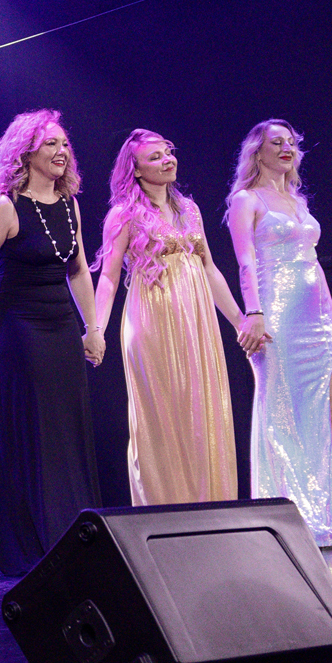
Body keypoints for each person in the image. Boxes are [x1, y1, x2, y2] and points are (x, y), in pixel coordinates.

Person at [0, 109, 102, 577]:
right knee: (35, 425)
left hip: (60, 320)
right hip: (19, 321)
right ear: (25, 152)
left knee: (67, 424)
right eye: (51, 143)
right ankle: (36, 541)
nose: (61, 151)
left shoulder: (69, 204)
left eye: (64, 144)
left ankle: (75, 534)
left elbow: (79, 271)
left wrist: (92, 328)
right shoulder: (5, 207)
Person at [225, 118, 332, 549]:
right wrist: (254, 313)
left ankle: (331, 522)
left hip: (316, 322)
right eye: (276, 142)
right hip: (277, 318)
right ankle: (291, 524)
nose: (287, 148)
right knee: (282, 415)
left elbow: (312, 263)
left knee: (325, 414)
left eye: (291, 142)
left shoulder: (297, 200)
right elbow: (246, 262)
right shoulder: (246, 200)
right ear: (257, 151)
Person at [89, 129, 248, 505]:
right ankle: (166, 507)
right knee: (163, 414)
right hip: (152, 321)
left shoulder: (189, 209)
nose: (167, 160)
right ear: (136, 170)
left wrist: (240, 320)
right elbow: (108, 278)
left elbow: (210, 269)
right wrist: (96, 329)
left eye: (168, 152)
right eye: (156, 157)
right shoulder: (124, 214)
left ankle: (210, 507)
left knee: (203, 411)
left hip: (198, 322)